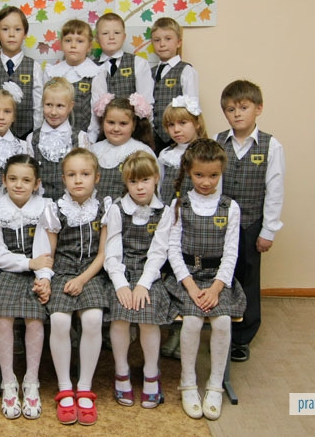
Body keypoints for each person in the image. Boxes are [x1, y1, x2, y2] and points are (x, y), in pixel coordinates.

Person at [161, 138, 246, 420]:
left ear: (221, 173)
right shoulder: (179, 205)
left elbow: (231, 253)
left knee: (221, 321)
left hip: (216, 279)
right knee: (193, 321)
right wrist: (191, 286)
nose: (206, 182)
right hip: (187, 279)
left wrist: (216, 288)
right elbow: (173, 250)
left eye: (213, 175)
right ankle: (188, 383)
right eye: (199, 175)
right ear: (189, 172)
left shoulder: (230, 207)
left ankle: (215, 385)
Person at [34, 148, 110, 426]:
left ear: (96, 177)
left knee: (92, 319)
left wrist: (82, 279)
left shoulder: (105, 208)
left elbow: (103, 254)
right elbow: (48, 251)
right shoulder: (55, 209)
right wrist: (45, 278)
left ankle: (85, 387)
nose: (78, 180)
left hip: (91, 273)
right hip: (63, 271)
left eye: (85, 174)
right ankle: (65, 387)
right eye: (72, 174)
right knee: (59, 320)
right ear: (63, 178)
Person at [215, 80, 285, 362]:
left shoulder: (271, 145)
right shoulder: (218, 141)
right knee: (221, 275)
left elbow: (275, 190)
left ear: (258, 108)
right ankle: (220, 330)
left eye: (243, 108)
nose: (237, 114)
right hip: (220, 225)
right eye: (231, 109)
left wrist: (268, 230)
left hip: (251, 223)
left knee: (248, 278)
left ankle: (242, 338)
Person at [0, 154, 53, 420]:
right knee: (3, 316)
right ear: (4, 180)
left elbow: (45, 252)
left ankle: (31, 381)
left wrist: (44, 278)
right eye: (12, 179)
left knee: (35, 318)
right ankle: (9, 380)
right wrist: (28, 263)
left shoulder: (44, 208)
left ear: (36, 184)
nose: (19, 185)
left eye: (26, 180)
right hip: (6, 271)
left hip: (36, 272)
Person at [103, 151, 169, 409]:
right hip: (120, 272)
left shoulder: (164, 211)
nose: (139, 187)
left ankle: (151, 373)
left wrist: (142, 284)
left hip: (149, 275)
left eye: (145, 180)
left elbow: (159, 252)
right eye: (133, 181)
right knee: (120, 315)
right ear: (126, 182)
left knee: (147, 316)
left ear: (156, 179)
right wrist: (121, 285)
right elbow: (111, 253)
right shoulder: (117, 209)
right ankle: (122, 372)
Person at [157, 95, 208, 360]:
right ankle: (172, 328)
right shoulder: (165, 155)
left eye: (183, 123)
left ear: (197, 123)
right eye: (171, 125)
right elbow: (159, 189)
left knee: (188, 271)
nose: (176, 130)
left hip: (194, 224)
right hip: (169, 221)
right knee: (168, 272)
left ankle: (185, 329)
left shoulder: (204, 154)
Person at [90, 13, 154, 143]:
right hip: (103, 136)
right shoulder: (90, 67)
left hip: (135, 135)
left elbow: (147, 103)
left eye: (117, 33)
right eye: (105, 33)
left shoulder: (138, 63)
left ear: (124, 36)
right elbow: (92, 106)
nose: (111, 37)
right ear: (97, 38)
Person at [0, 6, 43, 138]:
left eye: (17, 29)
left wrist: (36, 136)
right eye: (5, 29)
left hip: (26, 136)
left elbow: (38, 107)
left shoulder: (34, 67)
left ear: (25, 33)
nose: (11, 34)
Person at [27, 77, 90, 201]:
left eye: (60, 106)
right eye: (49, 105)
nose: (53, 112)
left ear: (70, 106)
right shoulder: (32, 138)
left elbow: (86, 173)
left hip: (71, 202)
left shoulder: (80, 138)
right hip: (39, 203)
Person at [91, 95, 156, 200]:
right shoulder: (94, 150)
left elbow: (153, 187)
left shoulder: (142, 152)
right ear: (103, 122)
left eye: (123, 124)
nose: (116, 128)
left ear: (133, 125)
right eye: (111, 122)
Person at [43, 20, 101, 136]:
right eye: (68, 40)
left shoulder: (95, 72)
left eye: (80, 41)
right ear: (61, 44)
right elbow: (43, 105)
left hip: (84, 135)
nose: (73, 45)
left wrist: (91, 137)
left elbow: (96, 110)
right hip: (54, 134)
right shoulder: (52, 72)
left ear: (89, 46)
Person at [150, 17, 199, 153]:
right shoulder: (149, 72)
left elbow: (192, 106)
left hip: (177, 136)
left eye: (168, 39)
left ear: (178, 43)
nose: (162, 44)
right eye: (157, 40)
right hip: (153, 138)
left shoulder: (186, 71)